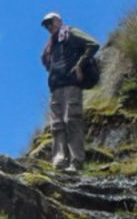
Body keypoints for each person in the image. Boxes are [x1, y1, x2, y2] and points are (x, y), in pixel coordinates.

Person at [40, 12, 99, 172]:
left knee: (71, 120)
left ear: (59, 21)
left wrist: (80, 65)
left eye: (51, 22)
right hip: (55, 88)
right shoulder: (52, 44)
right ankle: (59, 162)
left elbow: (93, 44)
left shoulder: (70, 33)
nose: (49, 27)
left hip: (71, 84)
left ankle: (76, 162)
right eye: (46, 25)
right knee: (57, 125)